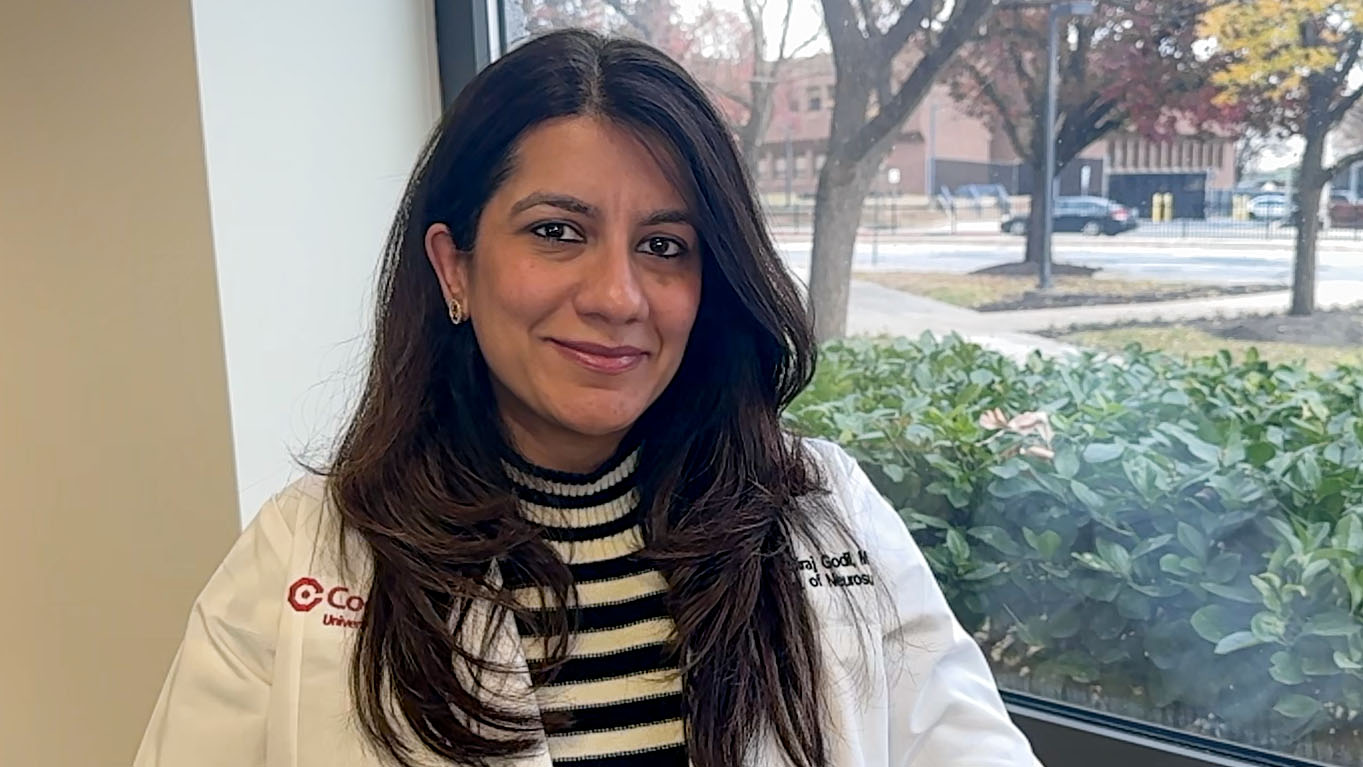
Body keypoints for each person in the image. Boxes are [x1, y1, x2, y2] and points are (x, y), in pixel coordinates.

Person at [134, 29, 1038, 767]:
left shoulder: (824, 510)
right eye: (557, 231)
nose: (617, 296)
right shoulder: (307, 552)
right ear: (455, 265)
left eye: (664, 245)